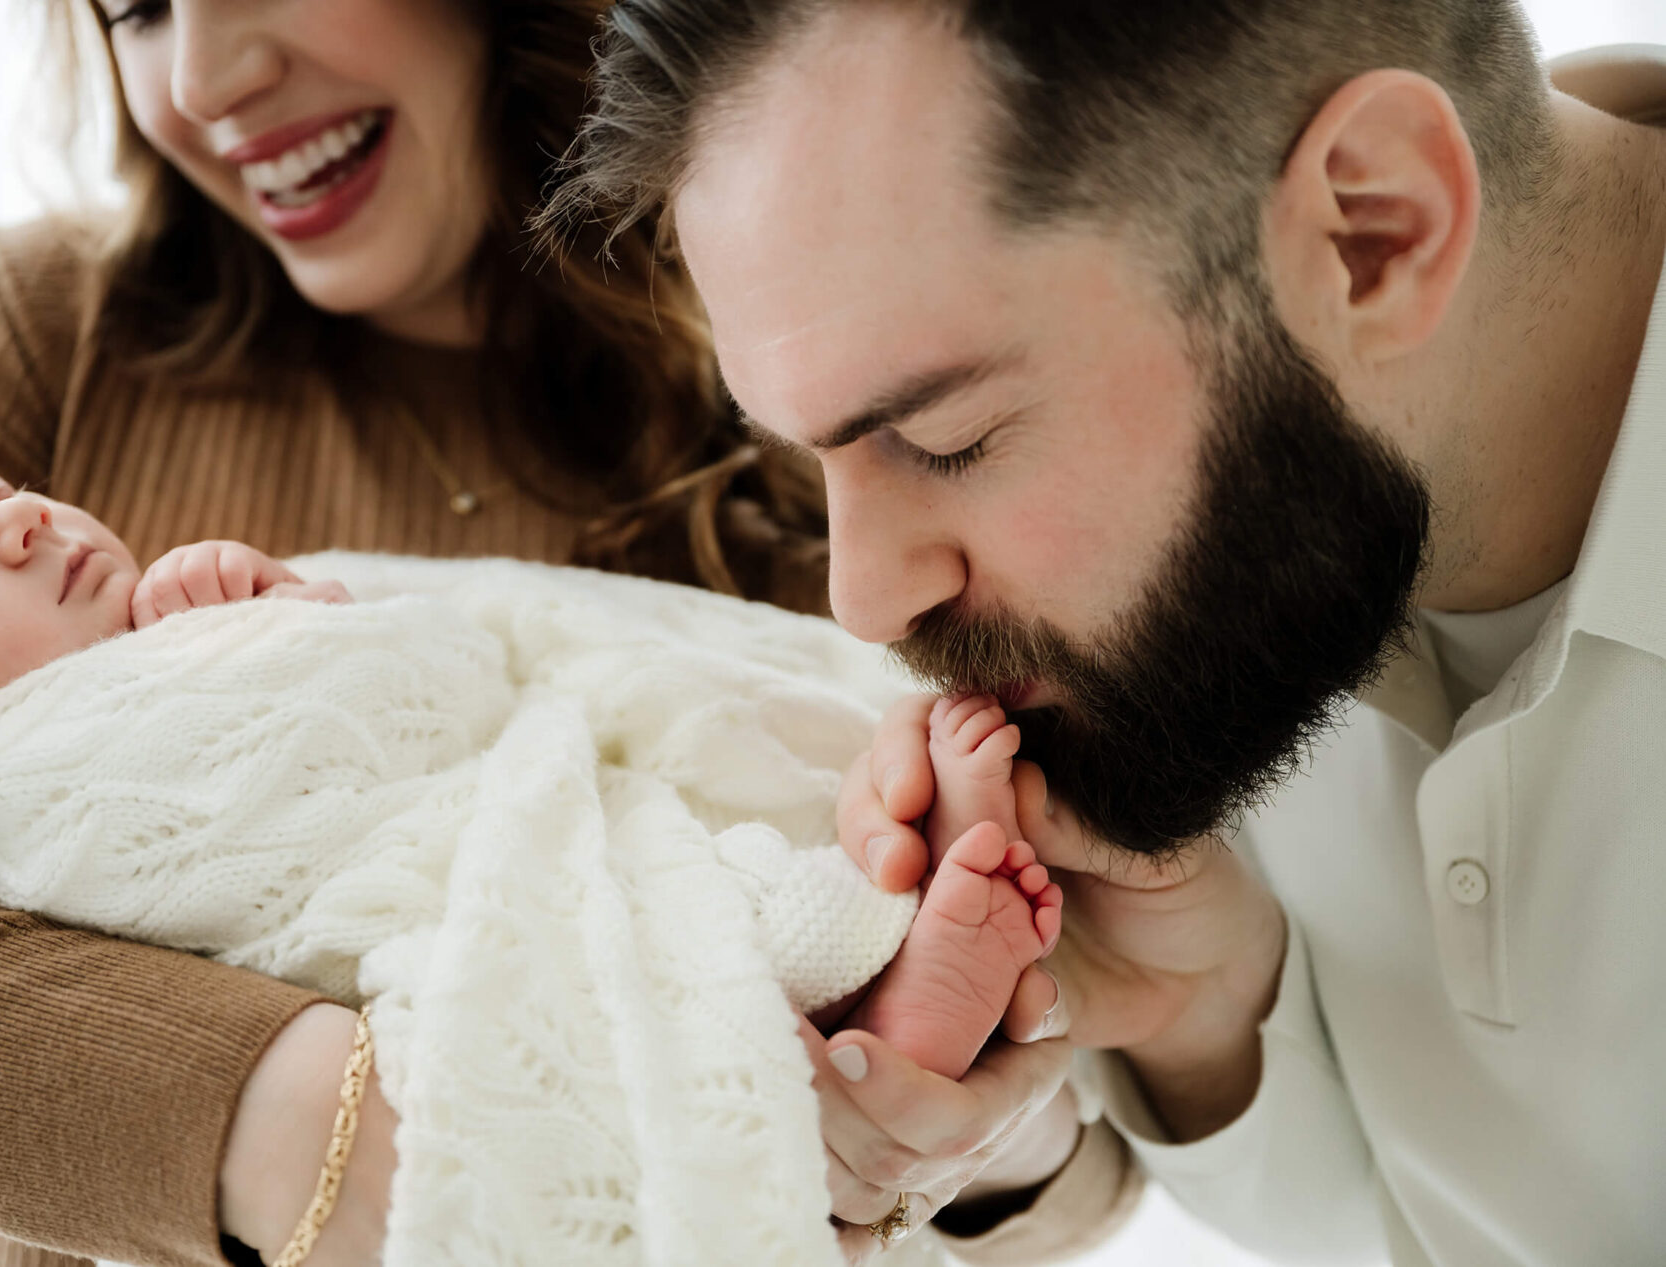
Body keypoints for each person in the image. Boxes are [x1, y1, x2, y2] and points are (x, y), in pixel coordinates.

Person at [0, 6, 1127, 1264]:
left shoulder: (809, 385)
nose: (203, 77)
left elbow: (1101, 1122)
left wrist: (964, 1138)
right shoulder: (43, 335)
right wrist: (293, 1118)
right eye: (135, 5)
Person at [550, 1, 1666, 1263]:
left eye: (944, 439)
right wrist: (1214, 1021)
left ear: (1374, 233)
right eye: (819, 464)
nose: (860, 598)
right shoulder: (1261, 576)